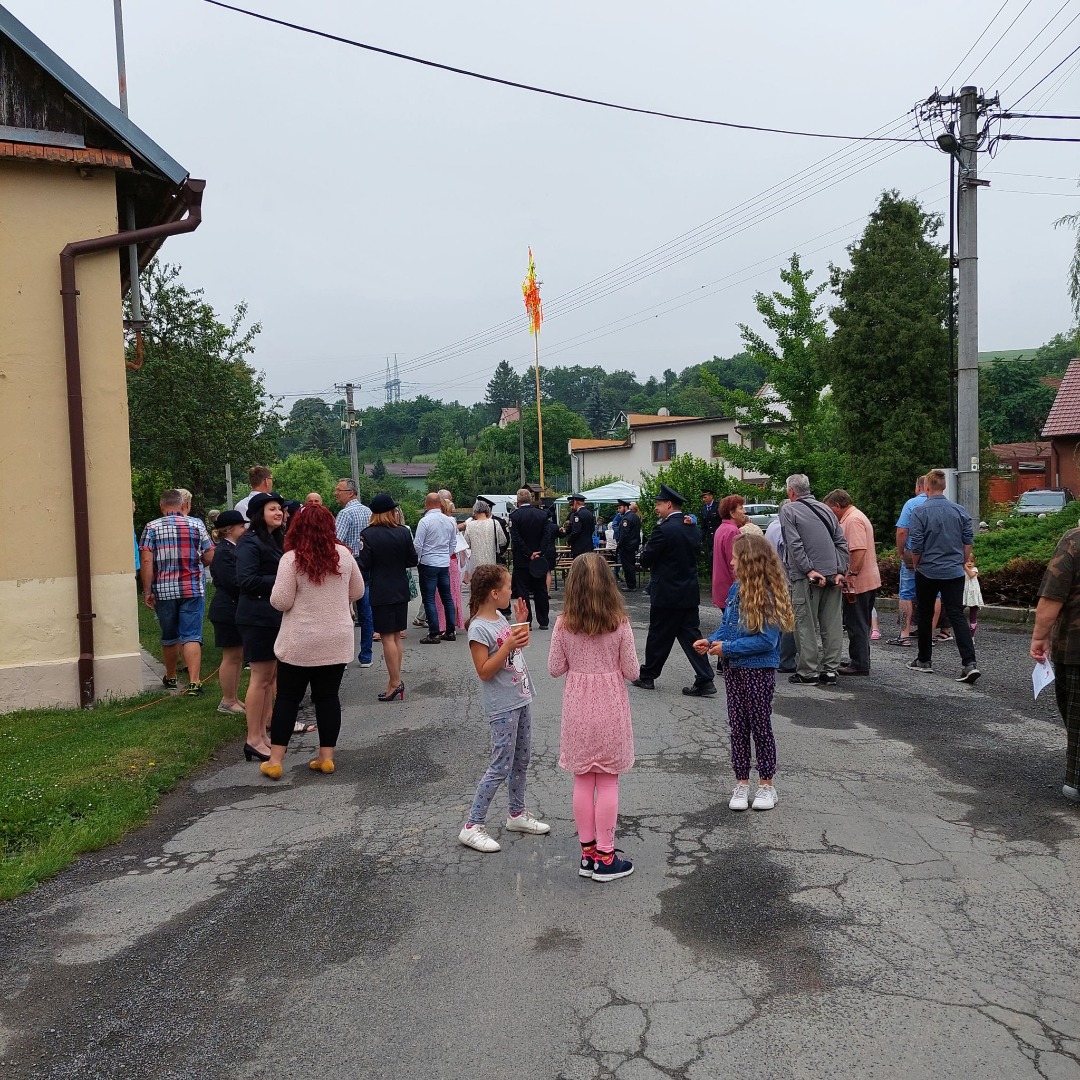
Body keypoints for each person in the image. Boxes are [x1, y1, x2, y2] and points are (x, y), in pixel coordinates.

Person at [549, 553, 639, 882]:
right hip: (611, 707)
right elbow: (632, 671)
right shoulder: (619, 622)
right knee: (609, 780)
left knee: (583, 780)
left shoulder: (563, 623)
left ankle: (587, 855)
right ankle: (606, 856)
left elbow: (555, 668)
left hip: (577, 709)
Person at [259, 505, 365, 779]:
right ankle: (326, 758)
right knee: (328, 697)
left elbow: (281, 601)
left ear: (297, 528)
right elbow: (358, 590)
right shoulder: (344, 555)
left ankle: (275, 760)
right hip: (336, 638)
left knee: (287, 698)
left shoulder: (291, 559)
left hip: (300, 640)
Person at [694, 534, 794, 812]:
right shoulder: (736, 590)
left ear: (750, 561)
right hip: (734, 669)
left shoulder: (769, 595)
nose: (732, 562)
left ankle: (766, 784)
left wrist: (727, 648)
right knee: (737, 727)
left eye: (737, 557)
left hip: (758, 671)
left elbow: (767, 642)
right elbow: (728, 627)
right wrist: (711, 641)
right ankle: (741, 782)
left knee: (760, 726)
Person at [458, 563, 550, 852]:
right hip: (502, 706)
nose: (512, 591)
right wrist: (509, 645)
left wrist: (519, 628)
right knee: (501, 765)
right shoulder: (478, 628)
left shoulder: (499, 617)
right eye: (508, 587)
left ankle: (516, 813)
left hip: (519, 697)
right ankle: (472, 825)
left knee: (521, 760)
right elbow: (484, 671)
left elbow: (511, 653)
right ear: (494, 593)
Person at [632, 484, 717, 697]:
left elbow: (647, 558)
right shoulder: (691, 527)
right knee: (691, 635)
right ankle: (705, 678)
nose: (656, 508)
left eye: (659, 504)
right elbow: (696, 551)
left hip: (666, 593)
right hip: (688, 592)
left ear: (669, 505)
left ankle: (648, 676)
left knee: (658, 635)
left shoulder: (663, 529)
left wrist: (645, 557)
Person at [906, 469, 980, 683]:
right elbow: (968, 541)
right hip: (954, 571)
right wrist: (960, 561)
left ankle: (924, 660)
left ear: (926, 487)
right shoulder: (960, 511)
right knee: (957, 614)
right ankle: (969, 663)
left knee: (925, 612)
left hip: (927, 570)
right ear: (944, 487)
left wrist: (917, 564)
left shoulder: (919, 511)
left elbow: (917, 544)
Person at [139, 488, 214, 695]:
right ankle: (194, 682)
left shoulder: (151, 527)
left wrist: (147, 590)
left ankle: (171, 678)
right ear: (183, 505)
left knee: (169, 635)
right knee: (191, 635)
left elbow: (146, 560)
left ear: (162, 506)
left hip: (163, 591)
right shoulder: (197, 524)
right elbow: (210, 554)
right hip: (192, 589)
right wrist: (199, 563)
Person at [778, 473, 849, 687]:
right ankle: (830, 670)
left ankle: (807, 671)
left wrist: (809, 570)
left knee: (805, 624)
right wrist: (840, 570)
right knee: (832, 624)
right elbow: (841, 541)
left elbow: (794, 544)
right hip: (833, 575)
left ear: (791, 491)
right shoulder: (826, 509)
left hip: (806, 578)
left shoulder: (789, 510)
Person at [1029, 525, 1080, 802]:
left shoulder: (1074, 541)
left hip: (1075, 647)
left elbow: (1052, 596)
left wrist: (1040, 637)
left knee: (1076, 714)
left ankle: (1076, 779)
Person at [236, 492, 289, 758]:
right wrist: (282, 579)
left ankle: (263, 734)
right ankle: (253, 738)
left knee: (269, 679)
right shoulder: (250, 542)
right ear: (259, 514)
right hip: (257, 618)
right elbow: (247, 580)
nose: (279, 513)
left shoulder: (275, 540)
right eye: (272, 509)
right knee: (259, 679)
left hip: (272, 616)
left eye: (280, 509)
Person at [357, 493, 418, 701]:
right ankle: (394, 680)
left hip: (381, 589)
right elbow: (412, 560)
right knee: (396, 636)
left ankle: (395, 681)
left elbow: (364, 564)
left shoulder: (368, 534)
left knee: (387, 638)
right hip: (400, 587)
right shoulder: (403, 532)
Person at [823, 489, 881, 676]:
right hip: (866, 579)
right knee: (859, 621)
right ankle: (859, 659)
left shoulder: (853, 520)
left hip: (859, 582)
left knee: (856, 622)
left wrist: (852, 575)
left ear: (837, 506)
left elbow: (858, 550)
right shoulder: (855, 516)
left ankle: (859, 663)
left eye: (829, 509)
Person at [207, 509, 247, 716]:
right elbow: (231, 581)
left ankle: (233, 696)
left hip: (234, 608)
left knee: (238, 655)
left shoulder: (232, 548)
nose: (244, 528)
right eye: (241, 526)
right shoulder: (224, 551)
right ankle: (227, 700)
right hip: (226, 609)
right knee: (231, 656)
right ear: (229, 529)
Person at [334, 478, 374, 667]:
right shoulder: (368, 511)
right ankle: (366, 655)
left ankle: (342, 656)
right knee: (366, 609)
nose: (335, 493)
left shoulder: (345, 514)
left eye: (338, 490)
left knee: (342, 610)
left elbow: (336, 541)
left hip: (349, 564)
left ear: (350, 493)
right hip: (366, 563)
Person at [414, 492, 459, 643]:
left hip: (428, 563)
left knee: (429, 598)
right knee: (447, 597)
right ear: (440, 504)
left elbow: (418, 544)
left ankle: (434, 633)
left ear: (426, 504)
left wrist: (419, 559)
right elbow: (453, 543)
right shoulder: (449, 521)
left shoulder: (424, 521)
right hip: (444, 563)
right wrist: (446, 555)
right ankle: (450, 631)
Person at [509, 488, 557, 629]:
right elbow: (547, 535)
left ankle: (527, 621)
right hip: (539, 559)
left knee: (523, 591)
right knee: (540, 589)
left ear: (518, 501)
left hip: (522, 559)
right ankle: (544, 621)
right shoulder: (542, 515)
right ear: (530, 499)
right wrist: (539, 552)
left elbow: (516, 538)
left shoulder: (515, 516)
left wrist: (528, 553)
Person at [890, 475, 927, 647]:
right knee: (935, 595)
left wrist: (900, 552)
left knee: (906, 594)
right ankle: (929, 636)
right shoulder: (946, 505)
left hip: (912, 556)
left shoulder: (911, 504)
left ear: (919, 487)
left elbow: (902, 531)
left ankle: (904, 634)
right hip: (935, 558)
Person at [765, 508, 798, 673]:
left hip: (773, 578)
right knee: (788, 621)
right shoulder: (783, 530)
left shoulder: (772, 525)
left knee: (777, 618)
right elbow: (788, 556)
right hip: (785, 579)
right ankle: (786, 660)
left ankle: (776, 655)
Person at [431, 498, 466, 637]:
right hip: (451, 559)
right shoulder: (450, 522)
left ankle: (441, 623)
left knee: (440, 595)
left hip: (438, 560)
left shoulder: (434, 522)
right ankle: (452, 623)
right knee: (452, 594)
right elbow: (453, 543)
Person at [710, 495, 746, 611]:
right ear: (732, 513)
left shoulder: (722, 528)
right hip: (731, 590)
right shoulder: (732, 531)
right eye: (741, 508)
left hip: (722, 587)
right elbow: (734, 565)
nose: (744, 511)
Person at [463, 497, 509, 571]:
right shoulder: (495, 523)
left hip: (475, 563)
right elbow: (503, 541)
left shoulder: (470, 525)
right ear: (487, 510)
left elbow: (466, 544)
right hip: (491, 562)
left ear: (475, 511)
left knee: (477, 578)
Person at [616, 498, 641, 591]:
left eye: (620, 507)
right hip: (633, 545)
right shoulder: (635, 516)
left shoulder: (626, 519)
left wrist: (619, 546)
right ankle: (632, 584)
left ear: (626, 507)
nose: (618, 510)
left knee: (627, 566)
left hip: (627, 546)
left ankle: (631, 585)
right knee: (631, 565)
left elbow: (624, 535)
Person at [561, 494, 596, 559]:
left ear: (575, 502)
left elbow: (576, 531)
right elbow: (592, 529)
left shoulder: (577, 514)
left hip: (579, 547)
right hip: (588, 546)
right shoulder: (590, 513)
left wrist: (569, 541)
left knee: (579, 564)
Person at [964, 560, 983, 635]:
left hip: (973, 594)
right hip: (964, 593)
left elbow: (971, 575)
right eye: (967, 561)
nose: (969, 563)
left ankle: (972, 634)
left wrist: (965, 567)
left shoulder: (974, 569)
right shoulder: (961, 570)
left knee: (973, 613)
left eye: (971, 561)